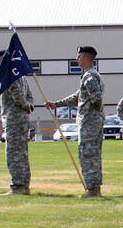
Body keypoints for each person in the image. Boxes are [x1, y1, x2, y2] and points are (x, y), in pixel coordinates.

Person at [45, 45, 105, 197]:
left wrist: (97, 108)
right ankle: (94, 188)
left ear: (85, 58)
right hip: (92, 120)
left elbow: (96, 97)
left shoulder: (89, 76)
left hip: (89, 121)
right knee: (93, 153)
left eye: (79, 56)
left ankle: (92, 189)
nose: (77, 59)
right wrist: (56, 104)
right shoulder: (89, 75)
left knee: (88, 154)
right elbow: (77, 97)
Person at [0, 48, 34, 194]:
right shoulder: (21, 76)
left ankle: (18, 185)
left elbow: (17, 95)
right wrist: (28, 106)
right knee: (22, 153)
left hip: (14, 119)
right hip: (22, 119)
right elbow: (30, 95)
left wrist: (25, 106)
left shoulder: (9, 75)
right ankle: (24, 184)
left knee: (14, 154)